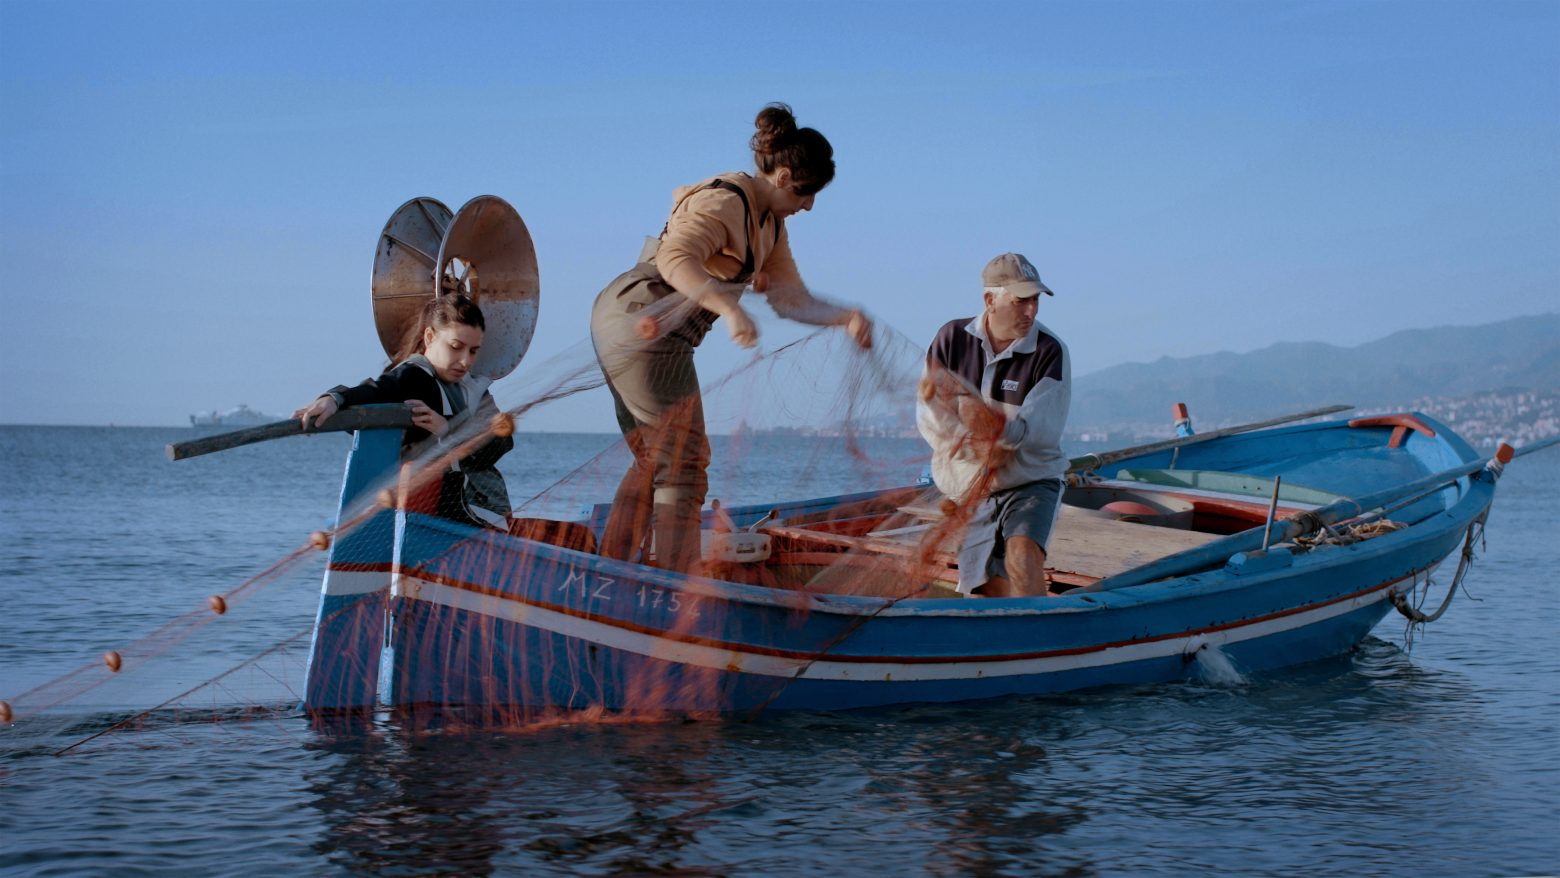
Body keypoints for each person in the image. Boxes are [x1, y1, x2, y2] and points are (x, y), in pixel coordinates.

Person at [590, 102, 874, 573]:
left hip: (641, 326)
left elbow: (789, 299)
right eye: (806, 192)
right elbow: (674, 260)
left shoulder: (770, 224)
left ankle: (612, 572)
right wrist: (727, 306)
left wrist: (846, 317)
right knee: (683, 463)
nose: (810, 205)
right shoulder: (726, 200)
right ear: (782, 176)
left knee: (655, 461)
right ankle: (672, 589)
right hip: (642, 319)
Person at [916, 253, 1071, 597]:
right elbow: (928, 414)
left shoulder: (1050, 351)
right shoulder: (951, 338)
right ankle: (1007, 640)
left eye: (1035, 301)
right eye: (1021, 301)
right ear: (990, 300)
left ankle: (1039, 642)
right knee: (986, 588)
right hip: (970, 488)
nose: (1031, 311)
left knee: (1022, 555)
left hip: (1030, 479)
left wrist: (993, 430)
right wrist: (973, 439)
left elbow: (1040, 432)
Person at [294, 294, 514, 529]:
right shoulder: (414, 377)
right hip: (441, 513)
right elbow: (377, 392)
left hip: (481, 508)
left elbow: (501, 443)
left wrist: (447, 428)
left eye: (473, 351)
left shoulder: (475, 388)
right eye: (456, 347)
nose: (465, 361)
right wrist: (334, 399)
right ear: (430, 337)